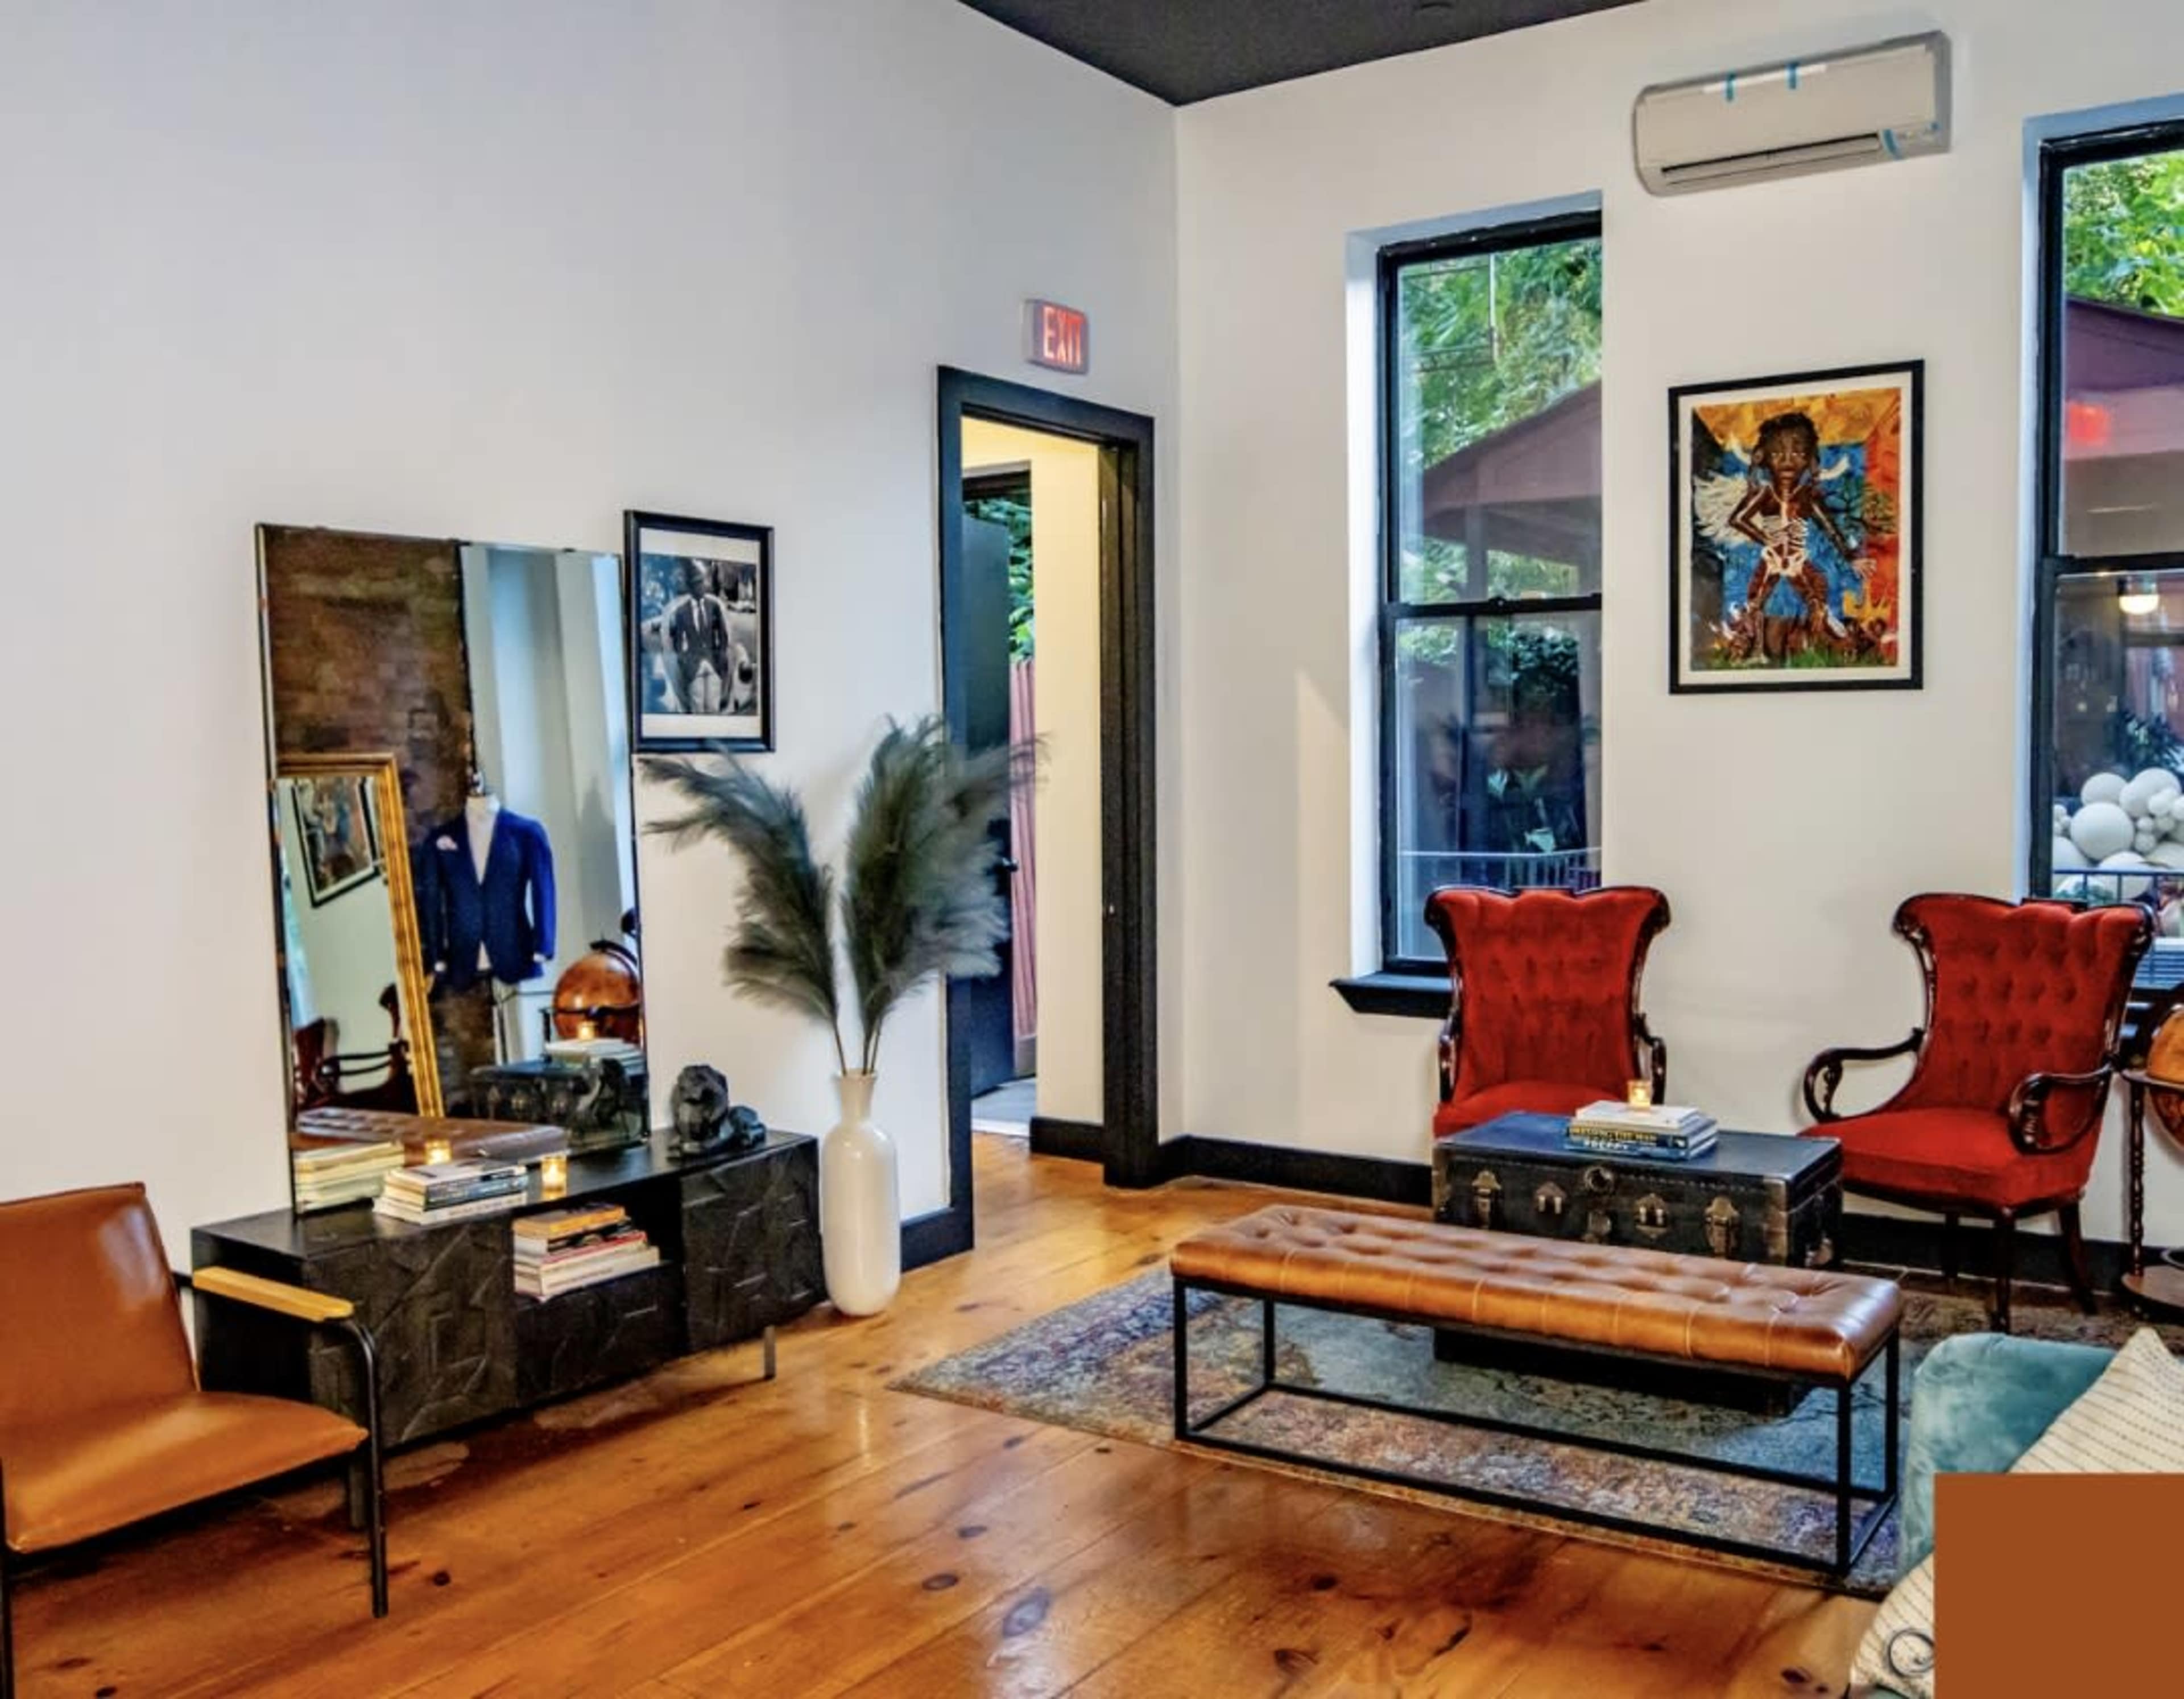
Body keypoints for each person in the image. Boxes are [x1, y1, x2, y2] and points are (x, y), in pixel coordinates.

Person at [1724, 410, 1869, 651]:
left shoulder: (1806, 498)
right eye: (1778, 454)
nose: (1788, 461)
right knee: (1756, 603)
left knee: (1817, 601)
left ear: (1811, 461)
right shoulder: (1765, 494)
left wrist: (1851, 557)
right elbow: (1737, 519)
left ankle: (1841, 641)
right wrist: (1766, 538)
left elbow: (1830, 529)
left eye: (1798, 454)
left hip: (1798, 562)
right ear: (1763, 458)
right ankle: (1752, 648)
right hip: (1771, 561)